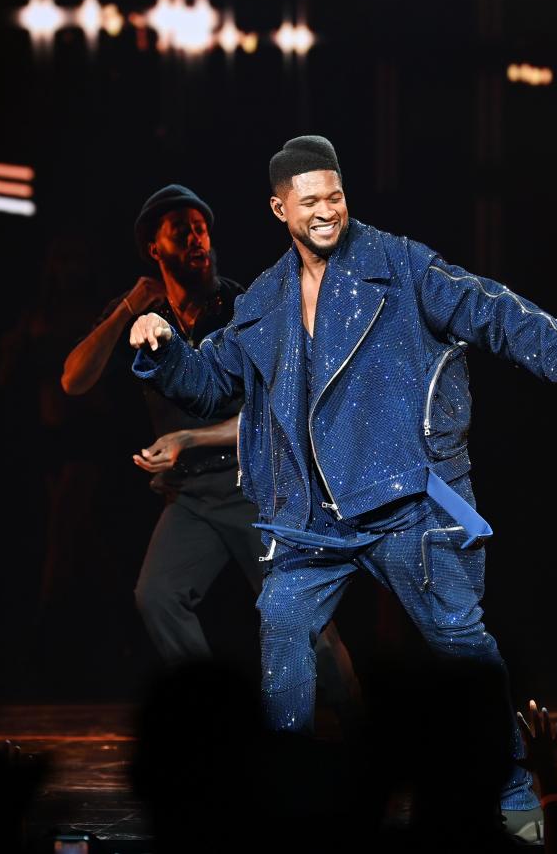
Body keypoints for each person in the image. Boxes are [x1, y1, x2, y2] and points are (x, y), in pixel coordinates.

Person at [128, 136, 557, 827]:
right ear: (280, 208)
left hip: (406, 499)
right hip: (311, 517)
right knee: (282, 622)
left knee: (463, 644)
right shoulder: (266, 298)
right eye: (310, 202)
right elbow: (213, 383)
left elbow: (489, 309)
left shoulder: (397, 262)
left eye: (335, 196)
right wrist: (162, 350)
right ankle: (286, 790)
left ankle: (514, 794)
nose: (327, 211)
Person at [62, 184, 357, 713]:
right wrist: (129, 305)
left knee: (300, 616)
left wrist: (187, 438)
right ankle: (214, 719)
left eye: (201, 229)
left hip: (257, 487)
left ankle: (360, 728)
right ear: (156, 248)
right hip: (193, 498)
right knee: (158, 596)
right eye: (182, 231)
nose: (197, 239)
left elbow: (277, 409)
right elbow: (74, 380)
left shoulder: (242, 306)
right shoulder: (141, 315)